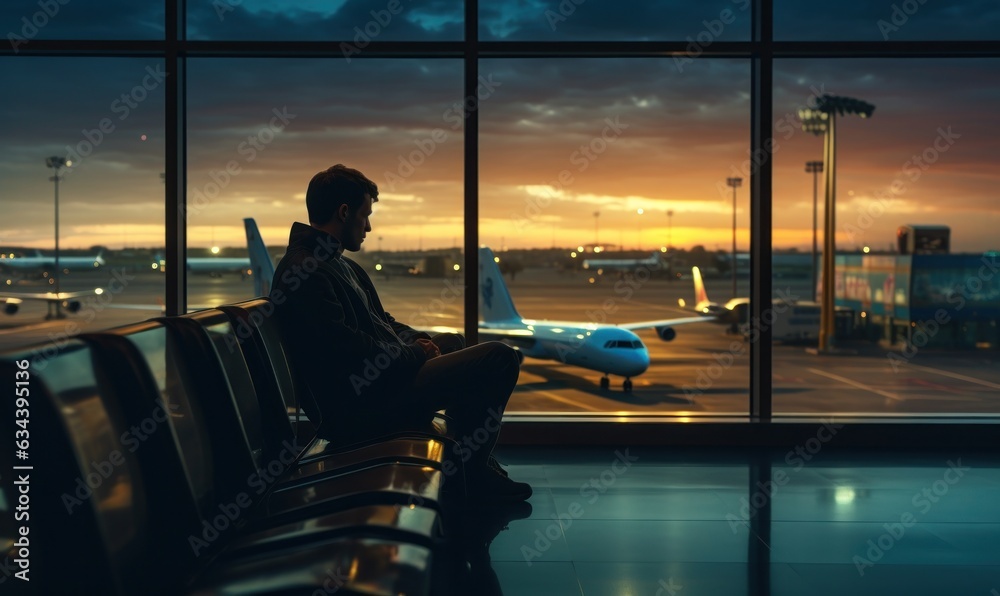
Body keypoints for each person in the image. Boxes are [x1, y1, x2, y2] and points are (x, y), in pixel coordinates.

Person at [271, 163, 530, 502]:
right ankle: (473, 472)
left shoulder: (336, 263)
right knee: (500, 358)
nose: (369, 226)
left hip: (376, 386)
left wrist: (418, 342)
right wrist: (416, 353)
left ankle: (468, 463)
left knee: (452, 341)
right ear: (344, 212)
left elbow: (383, 321)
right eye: (365, 216)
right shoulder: (306, 270)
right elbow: (347, 350)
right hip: (357, 407)